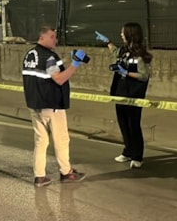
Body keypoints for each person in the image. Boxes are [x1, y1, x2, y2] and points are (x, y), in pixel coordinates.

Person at [22, 26, 87, 187]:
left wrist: (65, 62)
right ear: (42, 38)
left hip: (34, 105)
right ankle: (66, 173)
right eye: (52, 37)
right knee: (61, 140)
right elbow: (58, 79)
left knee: (41, 141)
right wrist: (75, 64)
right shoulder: (49, 57)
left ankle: (39, 177)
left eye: (55, 37)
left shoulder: (30, 54)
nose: (55, 40)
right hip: (51, 105)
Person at [96, 23, 153, 169]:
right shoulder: (124, 51)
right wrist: (107, 42)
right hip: (120, 93)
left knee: (133, 125)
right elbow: (115, 52)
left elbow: (144, 75)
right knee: (123, 124)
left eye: (123, 32)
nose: (121, 35)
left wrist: (126, 73)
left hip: (133, 95)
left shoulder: (140, 55)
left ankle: (137, 156)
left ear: (130, 34)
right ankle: (128, 151)